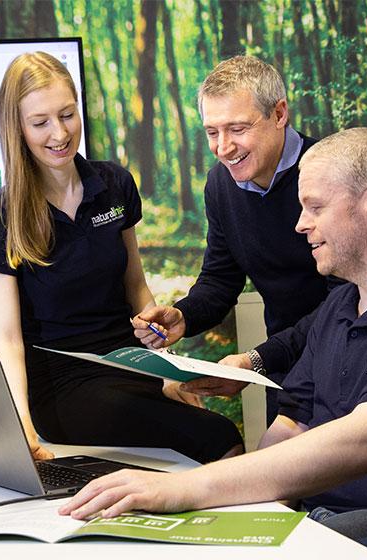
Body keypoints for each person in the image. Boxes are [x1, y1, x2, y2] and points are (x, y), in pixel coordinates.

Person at [60, 128, 367, 559]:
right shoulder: (338, 307)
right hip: (325, 511)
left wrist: (185, 488)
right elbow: (291, 424)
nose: (299, 224)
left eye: (315, 207)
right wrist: (232, 509)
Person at [0, 52, 243, 465]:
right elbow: (6, 339)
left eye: (67, 115)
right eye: (40, 122)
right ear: (17, 129)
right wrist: (21, 426)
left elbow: (136, 286)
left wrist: (167, 372)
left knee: (218, 433)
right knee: (216, 437)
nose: (59, 133)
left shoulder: (114, 183)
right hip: (63, 384)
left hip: (132, 363)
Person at [132, 56, 333, 420]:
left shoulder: (330, 174)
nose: (223, 148)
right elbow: (220, 280)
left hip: (347, 356)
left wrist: (258, 359)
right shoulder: (221, 184)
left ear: (279, 114)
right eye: (212, 132)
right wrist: (182, 315)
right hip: (286, 368)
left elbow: (346, 301)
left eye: (237, 129)